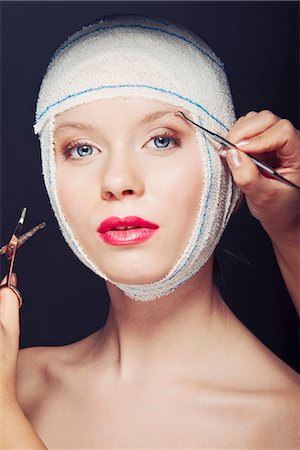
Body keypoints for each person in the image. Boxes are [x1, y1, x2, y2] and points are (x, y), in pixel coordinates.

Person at [1, 15, 299, 448]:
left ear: (230, 163)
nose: (117, 180)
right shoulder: (19, 381)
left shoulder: (284, 423)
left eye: (161, 140)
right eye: (82, 149)